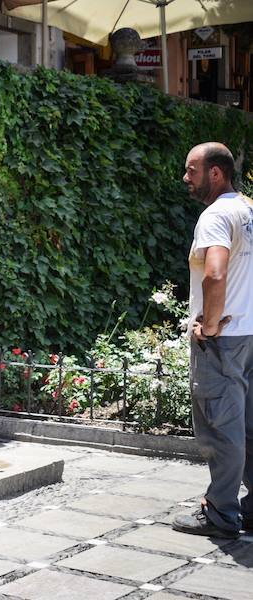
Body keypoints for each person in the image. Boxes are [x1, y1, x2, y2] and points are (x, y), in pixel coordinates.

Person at [172, 142, 253, 539]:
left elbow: (215, 272)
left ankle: (221, 512)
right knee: (248, 425)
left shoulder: (216, 214)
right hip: (249, 334)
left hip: (224, 339)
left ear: (215, 173)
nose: (186, 178)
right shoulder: (249, 209)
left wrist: (210, 326)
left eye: (192, 170)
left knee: (222, 427)